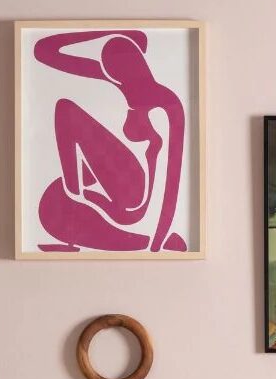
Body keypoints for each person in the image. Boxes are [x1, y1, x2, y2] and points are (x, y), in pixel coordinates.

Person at [33, 30, 186, 253]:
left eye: (111, 69)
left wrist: (156, 239)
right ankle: (76, 195)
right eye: (108, 69)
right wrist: (115, 32)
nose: (106, 74)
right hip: (127, 194)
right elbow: (45, 52)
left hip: (137, 204)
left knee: (66, 110)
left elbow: (170, 173)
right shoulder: (124, 84)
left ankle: (76, 194)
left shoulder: (163, 106)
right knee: (65, 112)